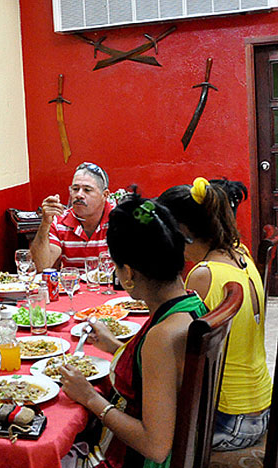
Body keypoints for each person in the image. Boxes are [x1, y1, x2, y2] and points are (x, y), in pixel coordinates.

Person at [59, 194, 207, 468]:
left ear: (128, 273)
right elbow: (162, 374)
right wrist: (115, 345)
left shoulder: (161, 338)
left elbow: (155, 446)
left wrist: (90, 398)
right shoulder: (192, 303)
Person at [159, 177, 271, 451]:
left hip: (230, 420)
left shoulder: (204, 275)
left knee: (146, 430)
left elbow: (179, 359)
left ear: (181, 232)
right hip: (258, 407)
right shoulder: (238, 253)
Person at [30, 162, 113, 270]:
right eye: (75, 189)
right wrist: (45, 223)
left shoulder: (121, 220)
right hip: (72, 285)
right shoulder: (60, 221)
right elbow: (41, 266)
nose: (79, 195)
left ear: (105, 195)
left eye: (87, 190)